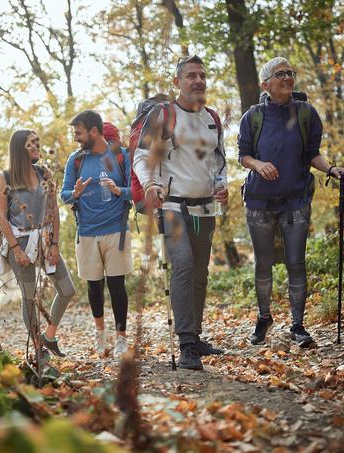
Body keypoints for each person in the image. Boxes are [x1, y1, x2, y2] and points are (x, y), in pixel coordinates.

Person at [237, 56, 344, 348]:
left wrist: (331, 169)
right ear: (266, 84)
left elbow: (313, 153)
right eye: (280, 74)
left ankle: (297, 325)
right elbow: (243, 155)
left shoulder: (306, 114)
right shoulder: (253, 117)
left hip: (296, 199)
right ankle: (264, 318)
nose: (287, 77)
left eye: (290, 72)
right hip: (259, 201)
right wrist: (258, 165)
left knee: (296, 262)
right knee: (263, 263)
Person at [133, 55, 228, 371]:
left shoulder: (212, 118)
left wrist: (221, 185)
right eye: (191, 76)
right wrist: (149, 185)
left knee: (200, 274)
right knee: (184, 267)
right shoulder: (164, 114)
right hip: (172, 206)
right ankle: (187, 344)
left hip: (205, 208)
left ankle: (195, 336)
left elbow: (219, 163)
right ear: (177, 82)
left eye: (202, 75)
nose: (198, 81)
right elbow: (142, 156)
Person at [0, 129, 75, 359]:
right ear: (21, 148)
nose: (38, 146)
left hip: (45, 241)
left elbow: (53, 210)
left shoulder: (45, 173)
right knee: (29, 297)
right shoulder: (5, 177)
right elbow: (2, 217)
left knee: (67, 290)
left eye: (38, 143)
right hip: (20, 242)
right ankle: (39, 348)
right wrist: (15, 248)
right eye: (32, 143)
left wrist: (55, 244)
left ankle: (49, 337)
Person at [61, 111, 133, 357]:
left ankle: (121, 339)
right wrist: (76, 193)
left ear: (94, 131)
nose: (75, 138)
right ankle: (100, 335)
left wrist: (118, 190)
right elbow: (64, 194)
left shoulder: (121, 156)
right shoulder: (76, 160)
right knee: (94, 287)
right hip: (87, 231)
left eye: (78, 133)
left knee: (117, 286)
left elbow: (136, 190)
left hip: (116, 229)